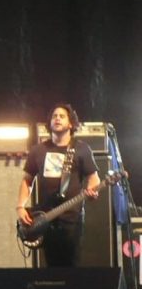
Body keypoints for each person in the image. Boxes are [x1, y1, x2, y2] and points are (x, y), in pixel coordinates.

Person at [17, 103, 100, 267]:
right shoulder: (38, 150)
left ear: (71, 123)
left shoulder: (81, 149)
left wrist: (92, 190)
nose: (57, 119)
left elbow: (94, 178)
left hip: (71, 218)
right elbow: (27, 180)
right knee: (51, 267)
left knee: (71, 266)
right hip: (45, 218)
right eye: (54, 116)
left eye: (62, 116)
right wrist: (20, 206)